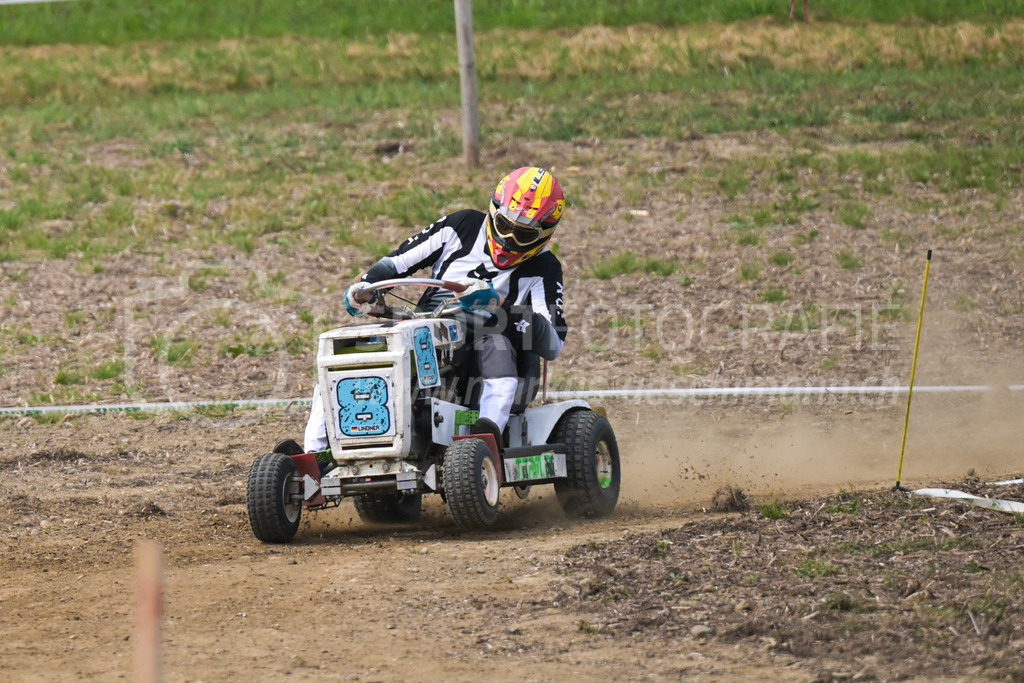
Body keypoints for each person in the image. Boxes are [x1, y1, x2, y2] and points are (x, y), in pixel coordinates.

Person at [303, 166, 568, 452]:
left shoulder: (545, 268)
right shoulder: (462, 225)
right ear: (493, 213)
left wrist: (497, 305)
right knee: (350, 349)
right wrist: (366, 286)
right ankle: (316, 454)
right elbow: (397, 262)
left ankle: (488, 438)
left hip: (489, 344)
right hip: (428, 323)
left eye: (524, 235)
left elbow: (552, 342)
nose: (510, 240)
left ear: (544, 235)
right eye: (505, 227)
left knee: (496, 346)